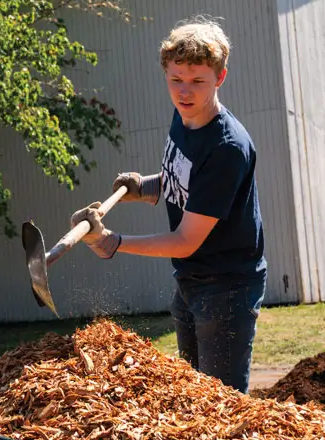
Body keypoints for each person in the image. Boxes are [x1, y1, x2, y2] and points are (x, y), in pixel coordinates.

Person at [70, 17, 267, 394]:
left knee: (219, 408)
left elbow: (185, 240)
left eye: (197, 81)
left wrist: (111, 242)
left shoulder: (227, 148)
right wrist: (143, 186)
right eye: (176, 80)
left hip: (227, 287)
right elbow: (184, 181)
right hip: (191, 280)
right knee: (192, 400)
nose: (185, 92)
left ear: (220, 77)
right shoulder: (184, 117)